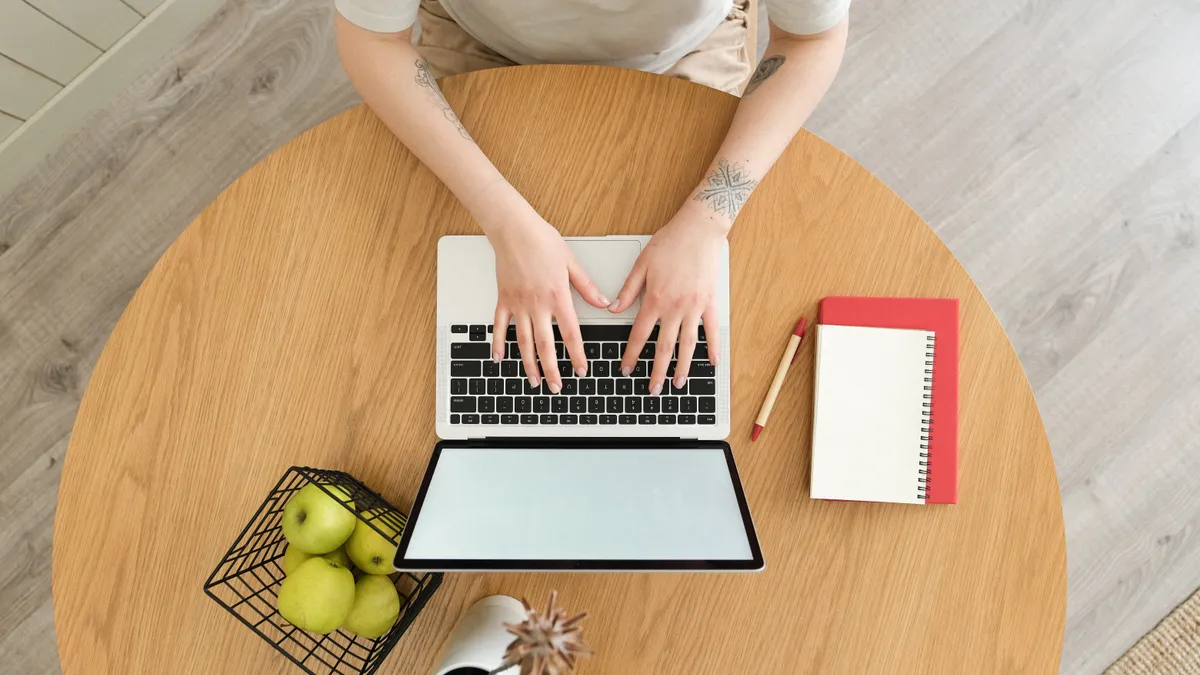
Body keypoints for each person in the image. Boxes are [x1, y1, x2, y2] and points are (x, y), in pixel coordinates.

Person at [334, 0, 848, 397]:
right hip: (480, 39)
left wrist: (708, 221)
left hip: (686, 50)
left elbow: (810, 39)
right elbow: (372, 37)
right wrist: (503, 218)